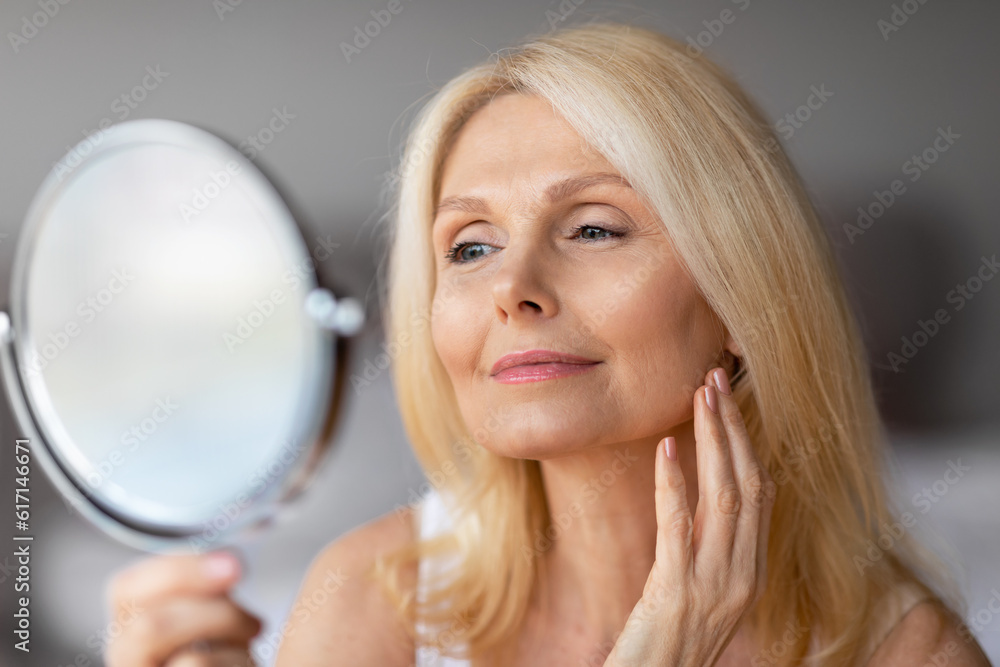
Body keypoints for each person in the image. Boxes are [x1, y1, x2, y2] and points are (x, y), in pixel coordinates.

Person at [105, 22, 993, 667]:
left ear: (739, 293)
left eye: (596, 229)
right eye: (471, 247)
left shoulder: (906, 651)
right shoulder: (375, 599)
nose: (511, 288)